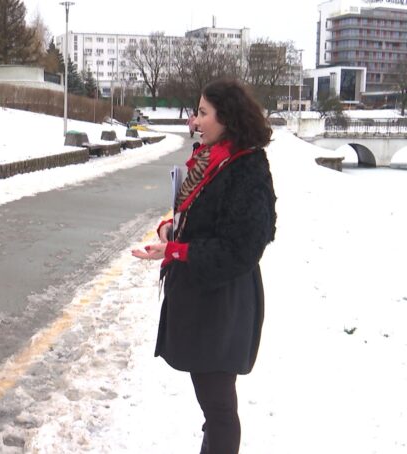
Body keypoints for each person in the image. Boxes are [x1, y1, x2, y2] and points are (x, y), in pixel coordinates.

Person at [133, 78, 276, 454]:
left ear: (226, 117)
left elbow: (242, 248)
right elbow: (195, 216)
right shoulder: (211, 157)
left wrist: (178, 252)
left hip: (223, 299)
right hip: (203, 296)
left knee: (219, 406)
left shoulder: (247, 167)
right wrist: (170, 230)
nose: (194, 121)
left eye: (202, 113)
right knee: (213, 403)